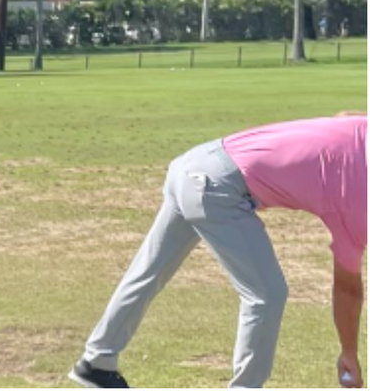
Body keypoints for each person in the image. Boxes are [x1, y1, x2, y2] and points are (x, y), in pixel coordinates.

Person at [71, 114, 366, 389]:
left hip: (193, 165)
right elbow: (347, 288)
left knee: (148, 273)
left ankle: (97, 361)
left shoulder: (361, 131)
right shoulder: (358, 196)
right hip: (217, 187)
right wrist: (349, 353)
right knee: (267, 293)